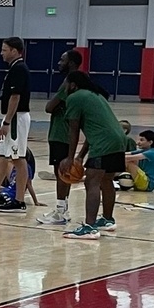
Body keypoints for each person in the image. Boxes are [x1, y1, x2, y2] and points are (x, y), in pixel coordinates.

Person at [59, 71, 128, 239]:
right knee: (106, 180)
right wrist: (80, 156)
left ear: (73, 85)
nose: (64, 87)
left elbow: (73, 131)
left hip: (104, 142)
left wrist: (69, 158)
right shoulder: (94, 96)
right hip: (119, 140)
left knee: (92, 181)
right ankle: (107, 220)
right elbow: (92, 131)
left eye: (66, 84)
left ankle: (89, 227)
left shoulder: (74, 98)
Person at [38, 49, 83, 226]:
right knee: (65, 174)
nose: (58, 62)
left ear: (71, 63)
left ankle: (59, 211)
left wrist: (53, 104)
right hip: (62, 133)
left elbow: (49, 107)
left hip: (61, 133)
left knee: (61, 173)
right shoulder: (75, 81)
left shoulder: (69, 82)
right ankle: (63, 209)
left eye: (62, 60)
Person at [0, 36, 32, 212]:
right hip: (9, 117)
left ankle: (19, 200)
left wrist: (7, 122)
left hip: (15, 118)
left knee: (18, 159)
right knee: (1, 156)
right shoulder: (13, 68)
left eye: (4, 50)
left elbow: (15, 97)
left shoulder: (19, 68)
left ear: (15, 51)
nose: (1, 53)